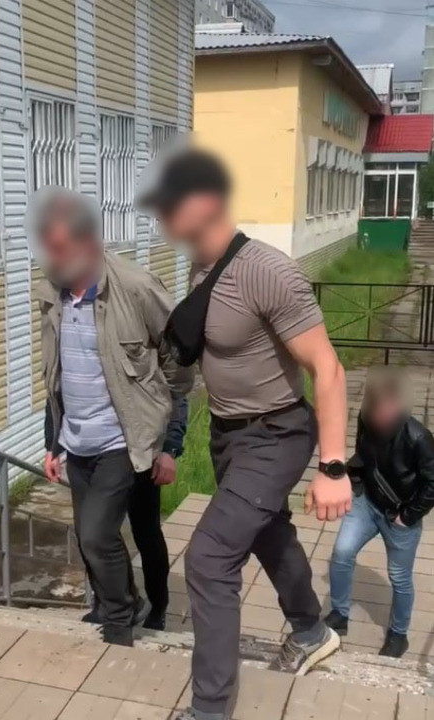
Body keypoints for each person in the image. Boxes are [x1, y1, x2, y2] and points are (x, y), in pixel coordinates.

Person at [137, 148, 350, 720]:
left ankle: (209, 711)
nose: (161, 216)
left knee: (209, 558)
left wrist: (333, 467)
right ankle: (311, 630)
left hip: (276, 434)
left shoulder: (266, 271)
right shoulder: (203, 268)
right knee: (267, 532)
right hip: (229, 436)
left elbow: (328, 369)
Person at [28, 187, 194, 647]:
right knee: (91, 536)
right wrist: (52, 443)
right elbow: (56, 375)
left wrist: (168, 443)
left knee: (127, 530)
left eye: (63, 249)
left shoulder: (137, 288)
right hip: (78, 440)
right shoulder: (53, 293)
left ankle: (138, 613)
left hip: (128, 438)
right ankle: (111, 603)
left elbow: (178, 361)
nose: (55, 259)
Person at [325, 367, 434, 658]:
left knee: (400, 577)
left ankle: (398, 634)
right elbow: (362, 452)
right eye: (375, 407)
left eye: (386, 408)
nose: (379, 416)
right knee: (342, 553)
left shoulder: (419, 437)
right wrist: (356, 484)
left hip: (400, 515)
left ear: (398, 405)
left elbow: (432, 483)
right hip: (367, 503)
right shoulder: (366, 419)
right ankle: (339, 614)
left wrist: (408, 516)